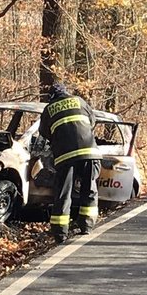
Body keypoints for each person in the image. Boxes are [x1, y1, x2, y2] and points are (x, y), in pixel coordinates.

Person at [39, 82, 102, 243]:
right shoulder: (80, 101)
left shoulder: (49, 109)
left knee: (63, 194)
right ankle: (86, 227)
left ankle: (60, 233)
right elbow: (92, 121)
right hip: (90, 152)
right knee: (89, 189)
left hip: (65, 156)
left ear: (51, 97)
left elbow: (44, 132)